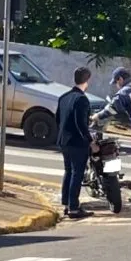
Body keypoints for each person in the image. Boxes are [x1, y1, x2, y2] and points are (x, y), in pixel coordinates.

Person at [91, 67, 131, 203]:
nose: (117, 85)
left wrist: (97, 116)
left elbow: (112, 108)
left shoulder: (124, 92)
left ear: (120, 79)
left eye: (116, 82)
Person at [56, 67, 98, 219]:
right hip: (76, 142)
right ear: (87, 81)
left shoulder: (64, 97)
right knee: (77, 173)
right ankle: (74, 207)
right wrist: (90, 142)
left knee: (68, 171)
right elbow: (81, 124)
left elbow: (58, 119)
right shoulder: (82, 99)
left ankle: (67, 204)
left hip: (63, 140)